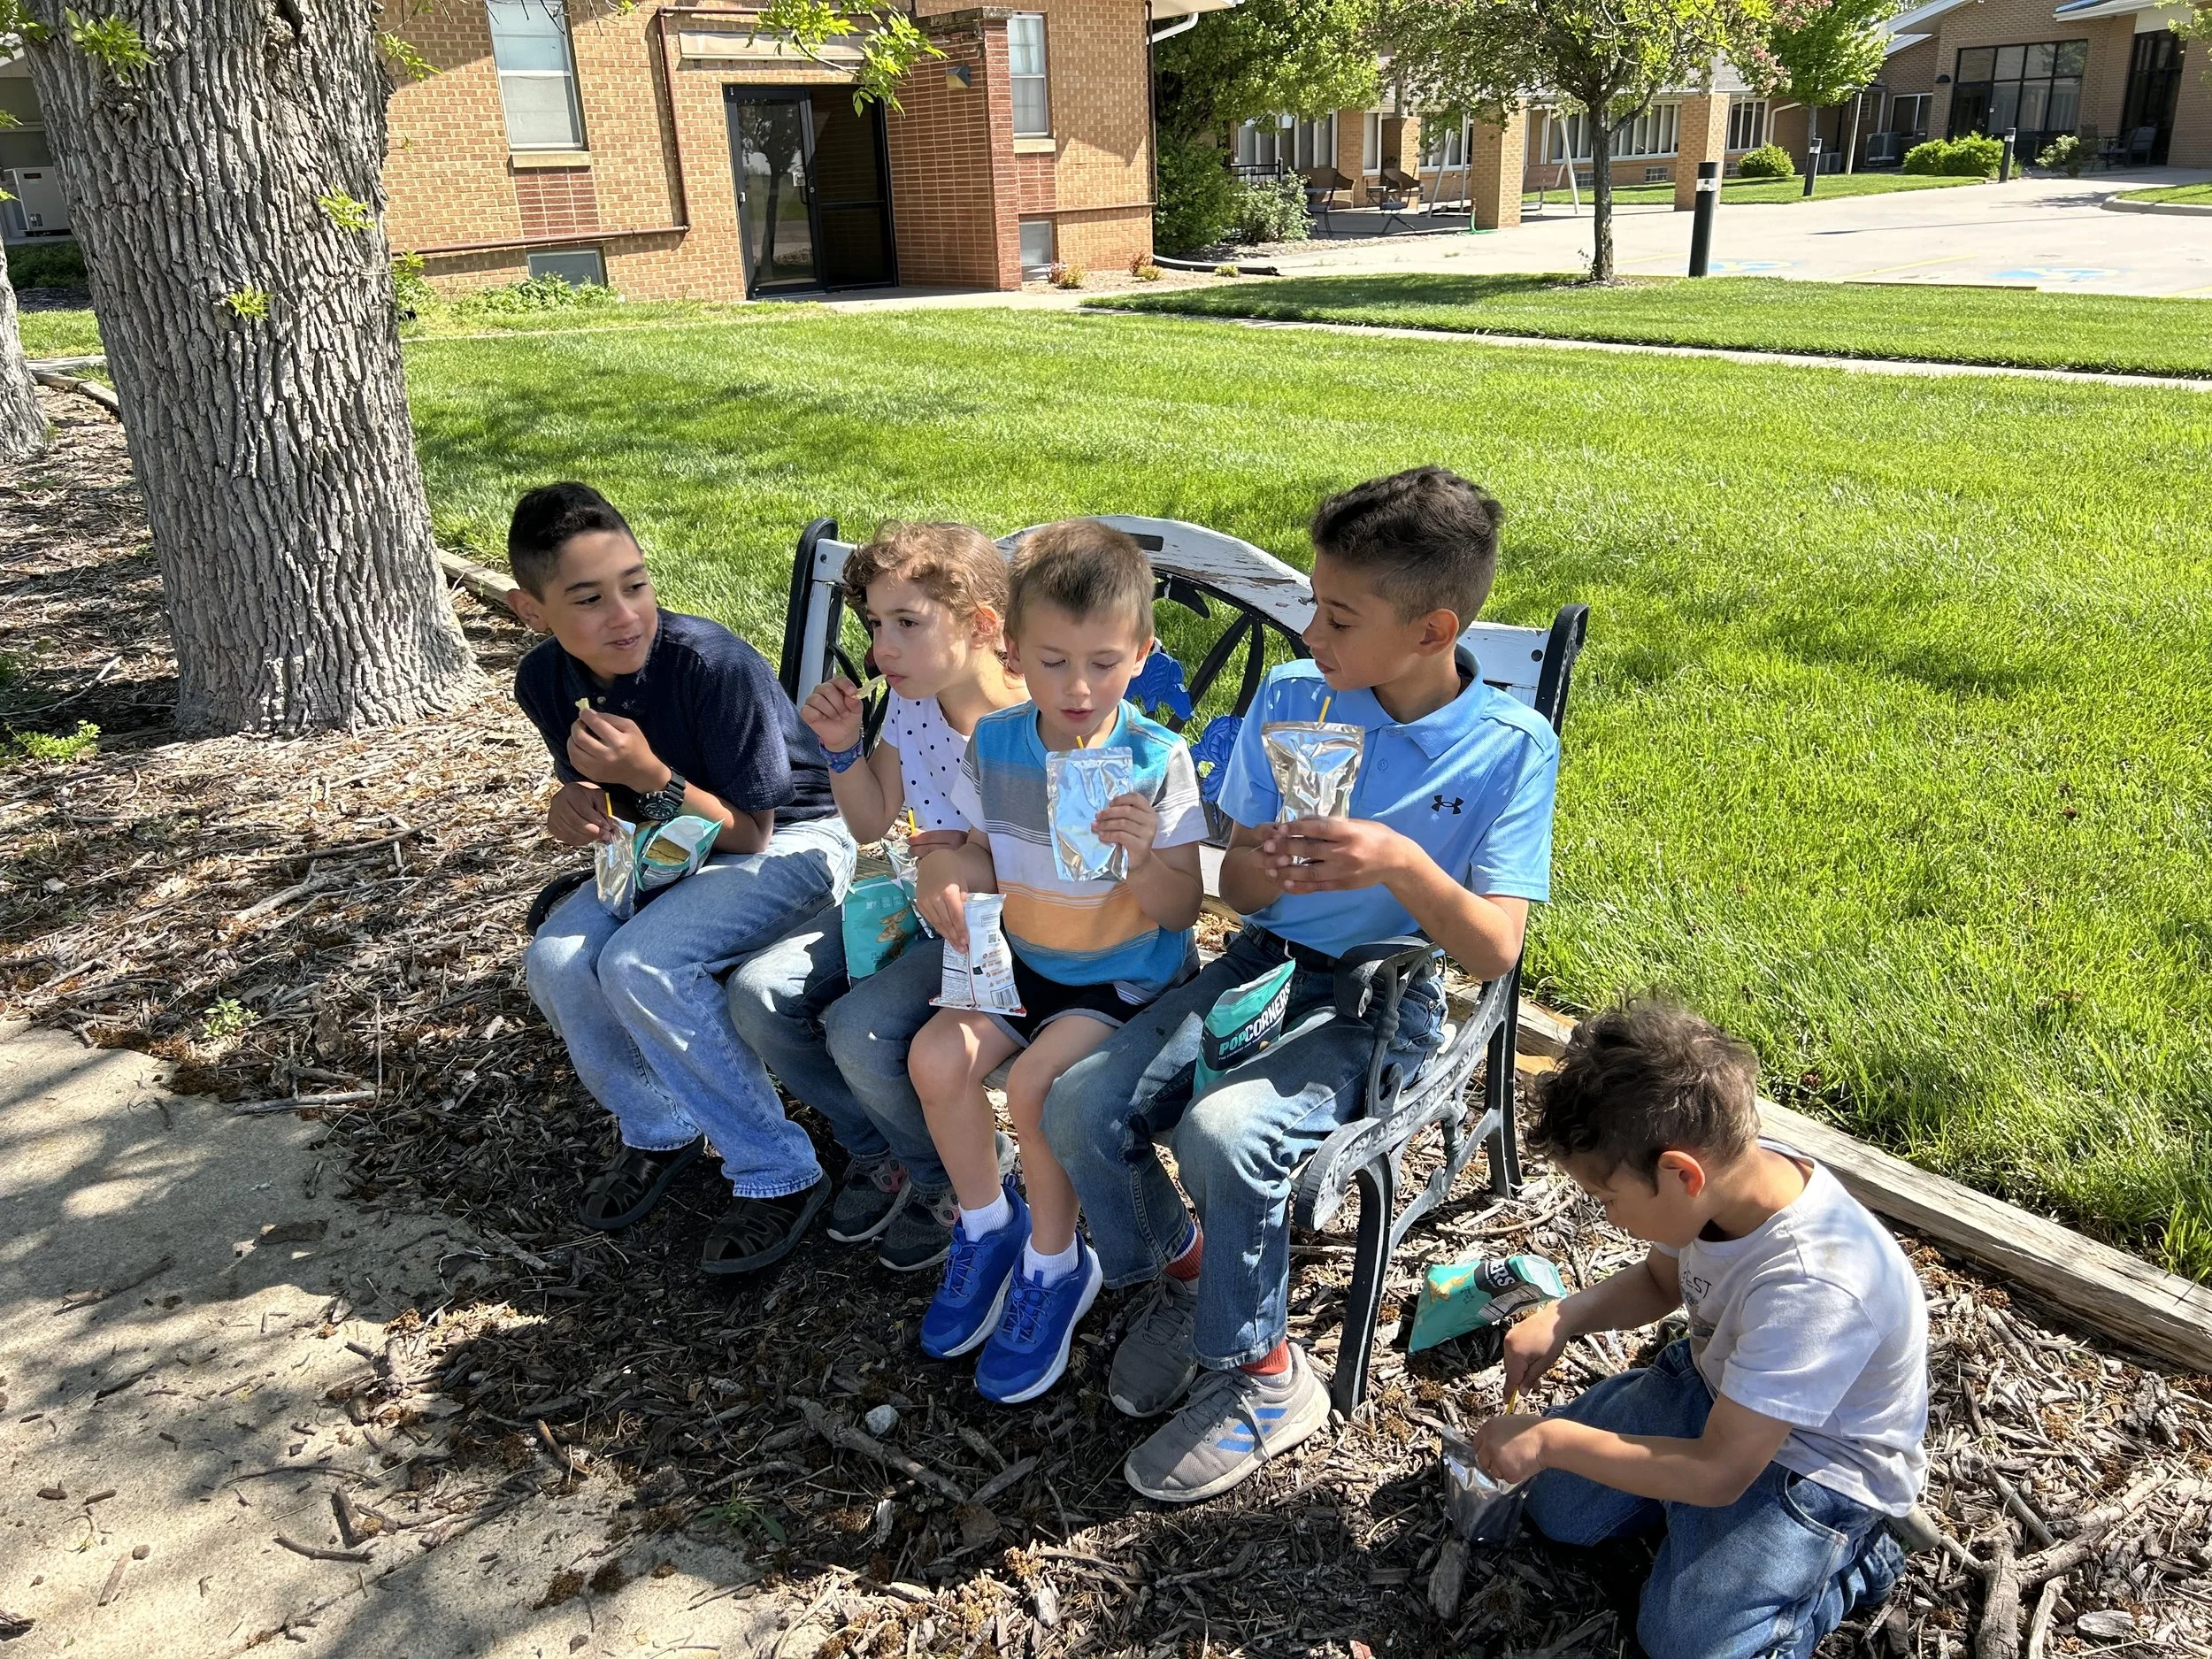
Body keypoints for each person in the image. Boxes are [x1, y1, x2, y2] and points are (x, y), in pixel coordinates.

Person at [1041, 467, 1559, 1502]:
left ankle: (1268, 1376)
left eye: (1334, 615)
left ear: (1430, 629)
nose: (1308, 633)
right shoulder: (1292, 699)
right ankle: (1192, 1282)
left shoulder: (1509, 749)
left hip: (1381, 1003)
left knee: (1225, 1133)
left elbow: (1493, 954)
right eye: (1310, 607)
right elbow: (1230, 883)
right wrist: (1259, 867)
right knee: (1076, 1103)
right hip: (1258, 970)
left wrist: (1399, 865)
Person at [1476, 1000, 1924, 1659]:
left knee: (1686, 1642)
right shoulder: (1722, 1186)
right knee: (1559, 1509)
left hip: (1814, 1466)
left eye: (1607, 1200)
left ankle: (1859, 1561)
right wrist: (1564, 1316)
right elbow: (1661, 1282)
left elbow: (1719, 1472)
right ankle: (1681, 1513)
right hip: (1719, 1396)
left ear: (1680, 1173)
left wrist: (1551, 1437)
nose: (1606, 1218)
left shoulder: (1817, 1284)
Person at [511, 482, 855, 1276]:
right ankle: (660, 1125)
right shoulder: (543, 682)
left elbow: (749, 830)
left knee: (643, 962)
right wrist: (577, 804)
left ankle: (777, 1170)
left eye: (636, 583)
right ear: (534, 611)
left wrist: (650, 773)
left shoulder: (711, 664)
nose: (624, 614)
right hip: (672, 848)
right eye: (588, 599)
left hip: (796, 840)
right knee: (558, 959)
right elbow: (601, 792)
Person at [907, 518, 1208, 1404]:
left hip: (1119, 978)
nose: (1077, 688)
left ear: (1143, 655)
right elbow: (968, 848)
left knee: (1035, 1088)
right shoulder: (997, 742)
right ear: (1009, 646)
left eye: (1104, 664)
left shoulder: (1157, 760)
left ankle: (1053, 1263)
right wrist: (941, 872)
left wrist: (1146, 852)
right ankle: (987, 1223)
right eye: (1052, 662)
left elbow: (1182, 911)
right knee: (934, 1059)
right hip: (1022, 959)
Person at [726, 522, 1026, 1273]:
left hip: (1005, 933)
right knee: (760, 993)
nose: (879, 648)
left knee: (860, 1028)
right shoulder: (914, 701)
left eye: (905, 623)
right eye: (872, 625)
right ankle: (883, 1148)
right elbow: (869, 820)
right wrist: (842, 747)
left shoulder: (1034, 718)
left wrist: (961, 858)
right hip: (924, 908)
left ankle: (947, 1180)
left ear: (983, 625)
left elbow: (1053, 867)